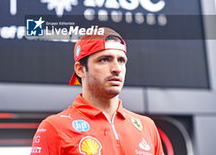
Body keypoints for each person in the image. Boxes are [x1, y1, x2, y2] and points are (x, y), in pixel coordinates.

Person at [30, 27, 164, 155]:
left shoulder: (147, 126)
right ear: (80, 69)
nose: (117, 68)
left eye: (121, 60)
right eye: (104, 60)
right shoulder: (54, 127)